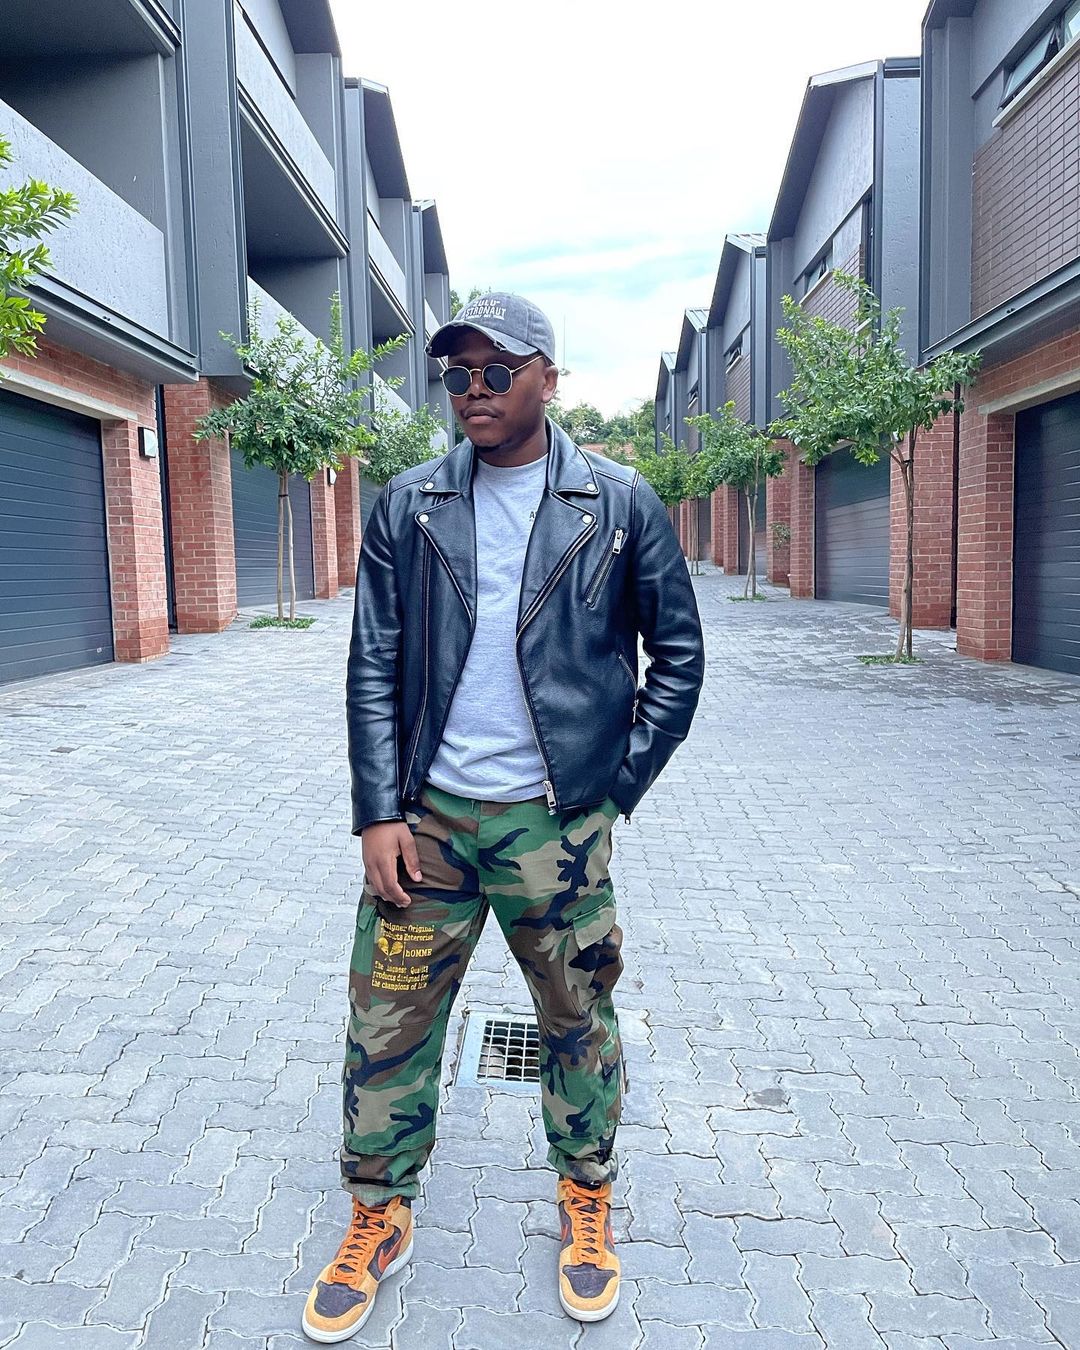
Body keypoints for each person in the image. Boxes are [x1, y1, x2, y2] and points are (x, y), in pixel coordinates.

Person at [303, 293, 704, 1342]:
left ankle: (585, 1199)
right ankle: (378, 1211)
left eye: (496, 371)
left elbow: (679, 658)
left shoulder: (617, 503)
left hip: (554, 826)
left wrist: (612, 791)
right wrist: (377, 811)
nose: (473, 392)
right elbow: (374, 663)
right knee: (388, 1023)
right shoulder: (409, 505)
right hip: (428, 824)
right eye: (458, 374)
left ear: (547, 380)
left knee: (576, 1020)